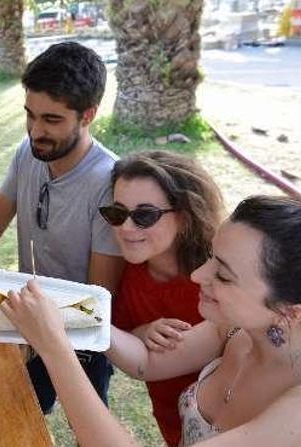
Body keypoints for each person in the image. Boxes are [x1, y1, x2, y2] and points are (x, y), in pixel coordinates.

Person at [3, 177, 301, 446]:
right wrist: (75, 315)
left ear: (290, 311)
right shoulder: (239, 331)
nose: (197, 275)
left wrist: (54, 348)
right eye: (211, 257)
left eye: (222, 275)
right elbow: (146, 365)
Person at [0, 42, 125, 413]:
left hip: (79, 335)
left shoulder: (109, 184)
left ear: (87, 115)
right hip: (31, 321)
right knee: (29, 408)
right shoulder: (28, 153)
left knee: (86, 421)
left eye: (51, 120)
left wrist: (40, 332)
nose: (35, 131)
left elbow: (96, 299)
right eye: (30, 115)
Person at [105, 151, 223, 446]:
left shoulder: (221, 276)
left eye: (145, 215)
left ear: (184, 217)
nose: (126, 227)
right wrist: (142, 332)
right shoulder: (127, 274)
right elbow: (122, 333)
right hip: (172, 418)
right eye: (117, 213)